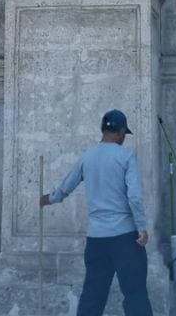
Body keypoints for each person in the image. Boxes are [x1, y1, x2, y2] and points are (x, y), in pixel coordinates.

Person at [39, 109, 152, 316]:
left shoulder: (87, 157)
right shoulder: (125, 156)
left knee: (92, 295)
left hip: (97, 240)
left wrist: (48, 199)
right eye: (124, 134)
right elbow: (134, 197)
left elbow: (66, 186)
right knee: (135, 294)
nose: (123, 139)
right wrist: (142, 228)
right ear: (119, 132)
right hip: (125, 237)